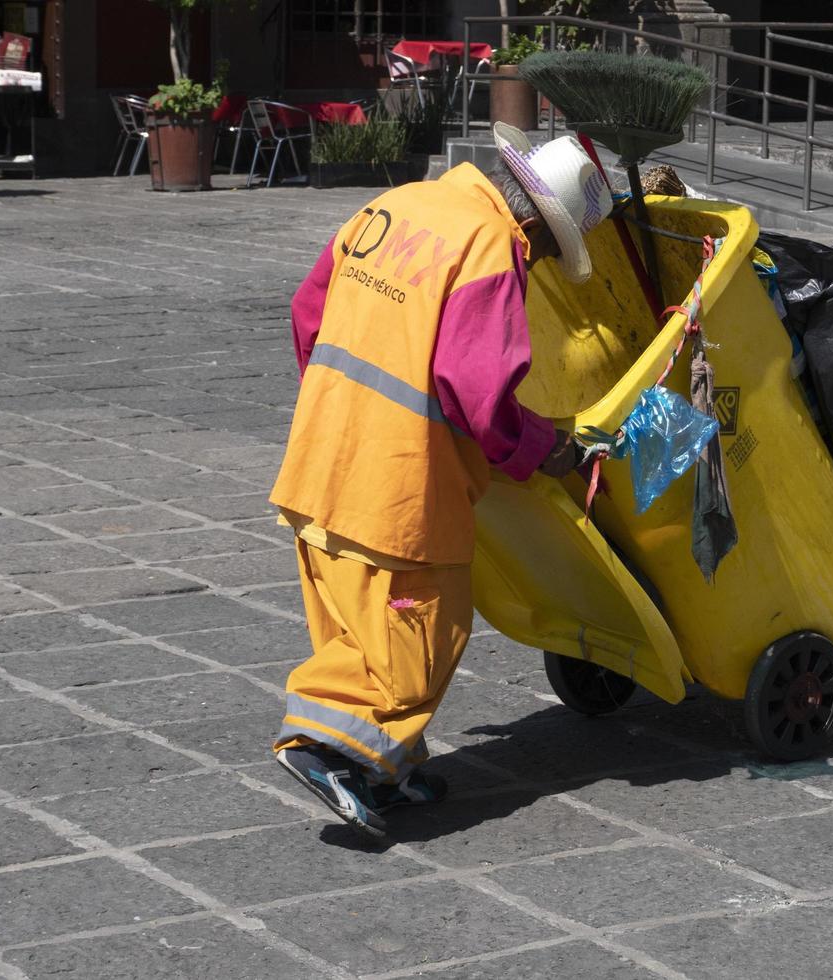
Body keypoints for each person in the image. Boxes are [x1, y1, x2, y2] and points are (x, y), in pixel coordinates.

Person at [270, 122, 613, 839]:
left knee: (349, 624)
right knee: (423, 629)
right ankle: (327, 746)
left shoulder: (402, 204)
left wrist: (341, 405)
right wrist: (542, 448)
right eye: (551, 248)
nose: (544, 261)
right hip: (397, 485)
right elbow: (477, 393)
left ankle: (384, 768)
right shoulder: (491, 246)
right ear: (539, 223)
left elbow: (310, 311)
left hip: (321, 457)